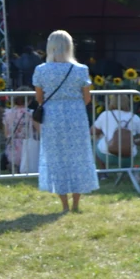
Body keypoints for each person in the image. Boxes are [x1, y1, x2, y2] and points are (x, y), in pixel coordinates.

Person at [32, 30, 98, 212]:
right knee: (78, 157)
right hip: (76, 115)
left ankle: (64, 205)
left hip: (53, 116)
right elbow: (87, 98)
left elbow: (39, 98)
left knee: (56, 159)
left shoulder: (41, 70)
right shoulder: (80, 69)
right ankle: (77, 203)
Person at [92, 93, 140, 168]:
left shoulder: (105, 114)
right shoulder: (135, 117)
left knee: (96, 140)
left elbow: (92, 131)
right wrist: (134, 141)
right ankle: (125, 171)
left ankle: (103, 172)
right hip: (128, 156)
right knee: (130, 147)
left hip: (106, 155)